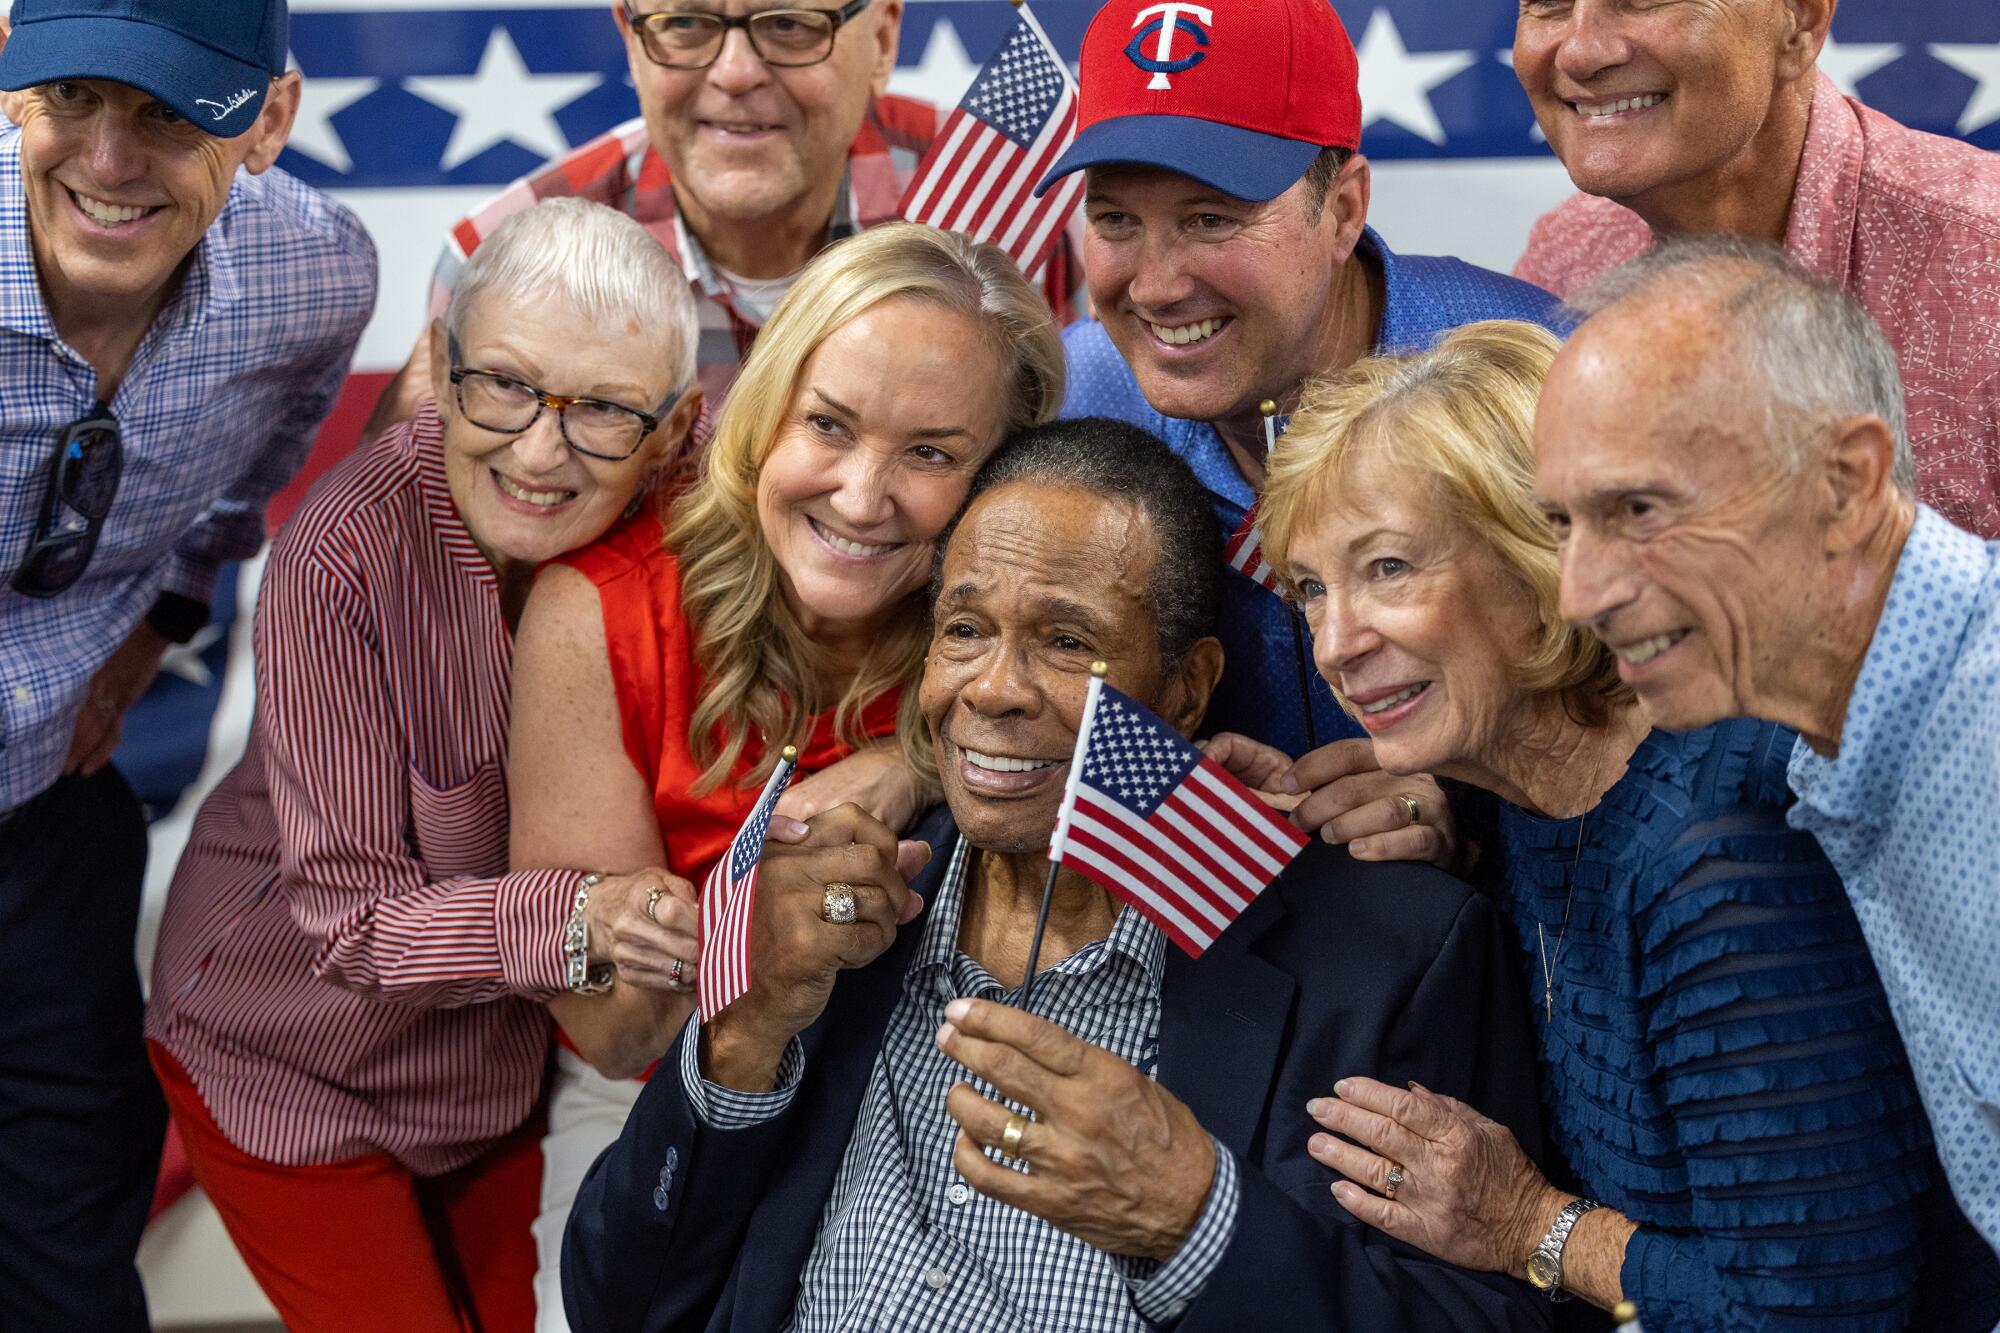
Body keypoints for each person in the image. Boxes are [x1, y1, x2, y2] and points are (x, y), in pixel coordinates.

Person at [561, 416, 1554, 1332]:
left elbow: (1482, 1320)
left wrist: (1194, 1219)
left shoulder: (1387, 957)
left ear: (1186, 685)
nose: (992, 689)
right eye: (963, 630)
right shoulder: (831, 924)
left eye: (1066, 641)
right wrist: (742, 1032)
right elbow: (621, 1305)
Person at [1240, 319, 2000, 1328]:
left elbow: (1818, 1312)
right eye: (1307, 588)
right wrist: (1452, 833)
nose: (1334, 643)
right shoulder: (1521, 795)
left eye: (1386, 569)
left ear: (1538, 559)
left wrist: (1531, 1225)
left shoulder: (1715, 855)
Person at [142, 199, 701, 1332]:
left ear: (674, 428)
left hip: (495, 1077)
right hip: (284, 1063)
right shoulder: (341, 558)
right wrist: (588, 916)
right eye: (503, 383)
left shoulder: (688, 532)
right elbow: (351, 923)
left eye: (601, 409)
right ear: (443, 369)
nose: (541, 450)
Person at [507, 220, 1066, 1332]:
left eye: (931, 454)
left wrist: (914, 760)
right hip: (652, 1099)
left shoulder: (1023, 632)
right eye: (829, 425)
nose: (862, 497)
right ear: (766, 416)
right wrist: (753, 923)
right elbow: (611, 1031)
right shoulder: (602, 607)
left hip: (934, 1092)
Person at [0, 0, 374, 1323]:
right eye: (74, 99)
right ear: (7, 80)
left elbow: (246, 481)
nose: (108, 158)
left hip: (44, 827)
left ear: (267, 120)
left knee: (66, 1249)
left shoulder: (313, 278)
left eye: (169, 111)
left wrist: (162, 617)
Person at [1536, 238, 2000, 1261]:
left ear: (1844, 483)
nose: (1580, 594)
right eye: (1562, 523)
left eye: (1639, 510)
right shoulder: (1820, 750)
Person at [1040, 0, 1568, 771]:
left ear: (1344, 208)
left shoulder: (1545, 382)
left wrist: (1473, 801)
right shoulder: (1074, 397)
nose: (1153, 287)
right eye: (1116, 219)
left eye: (1211, 219)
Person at [365, 0, 1076, 442]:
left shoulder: (1028, 214)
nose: (735, 73)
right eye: (686, 22)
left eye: (792, 24)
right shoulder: (501, 257)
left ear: (883, 38)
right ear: (631, 35)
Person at [1511, 0, 2000, 538]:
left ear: (1801, 22)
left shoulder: (1986, 259)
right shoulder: (1562, 261)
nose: (1581, 51)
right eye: (1548, 4)